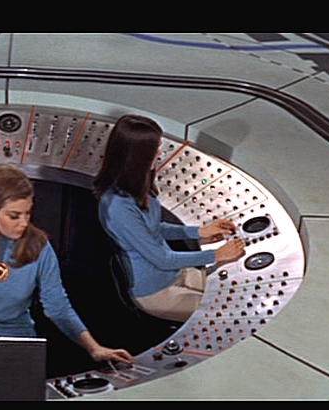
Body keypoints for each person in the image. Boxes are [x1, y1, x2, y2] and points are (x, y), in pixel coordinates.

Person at [0, 164, 133, 364]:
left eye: (27, 213)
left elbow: (58, 307)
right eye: (14, 216)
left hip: (18, 339)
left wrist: (94, 348)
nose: (23, 223)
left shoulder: (38, 246)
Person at [93, 114, 245, 323]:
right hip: (155, 292)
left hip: (176, 273)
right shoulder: (117, 207)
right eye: (154, 149)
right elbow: (162, 259)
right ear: (137, 156)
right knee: (228, 314)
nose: (159, 153)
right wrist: (216, 255)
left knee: (234, 290)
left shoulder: (138, 185)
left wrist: (199, 232)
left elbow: (154, 228)